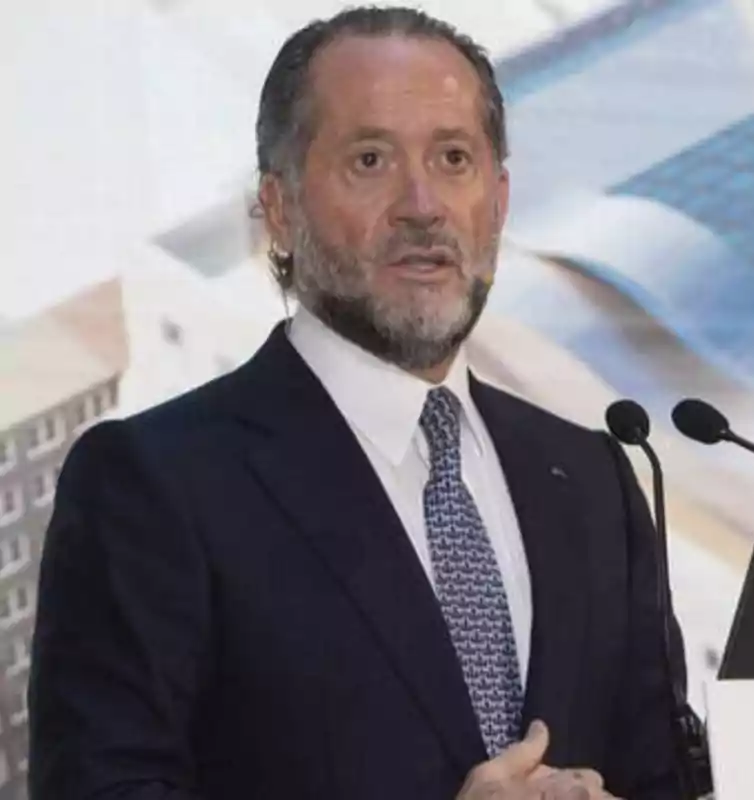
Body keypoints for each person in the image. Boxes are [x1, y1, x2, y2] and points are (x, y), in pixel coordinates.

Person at [28, 7, 693, 799]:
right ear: (278, 208)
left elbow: (666, 778)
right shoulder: (153, 486)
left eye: (454, 158)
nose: (422, 204)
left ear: (501, 199)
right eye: (371, 159)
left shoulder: (588, 477)